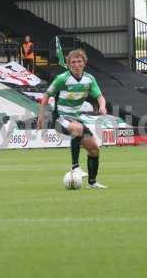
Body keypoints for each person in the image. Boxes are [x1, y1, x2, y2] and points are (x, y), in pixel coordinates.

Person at [37, 49, 108, 189]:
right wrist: (41, 117)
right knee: (78, 128)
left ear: (84, 63)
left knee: (94, 149)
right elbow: (46, 96)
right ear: (68, 64)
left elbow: (99, 97)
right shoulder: (62, 79)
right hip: (61, 119)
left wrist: (102, 106)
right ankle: (75, 166)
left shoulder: (89, 79)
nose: (76, 64)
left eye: (79, 61)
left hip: (76, 119)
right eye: (73, 62)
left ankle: (92, 183)